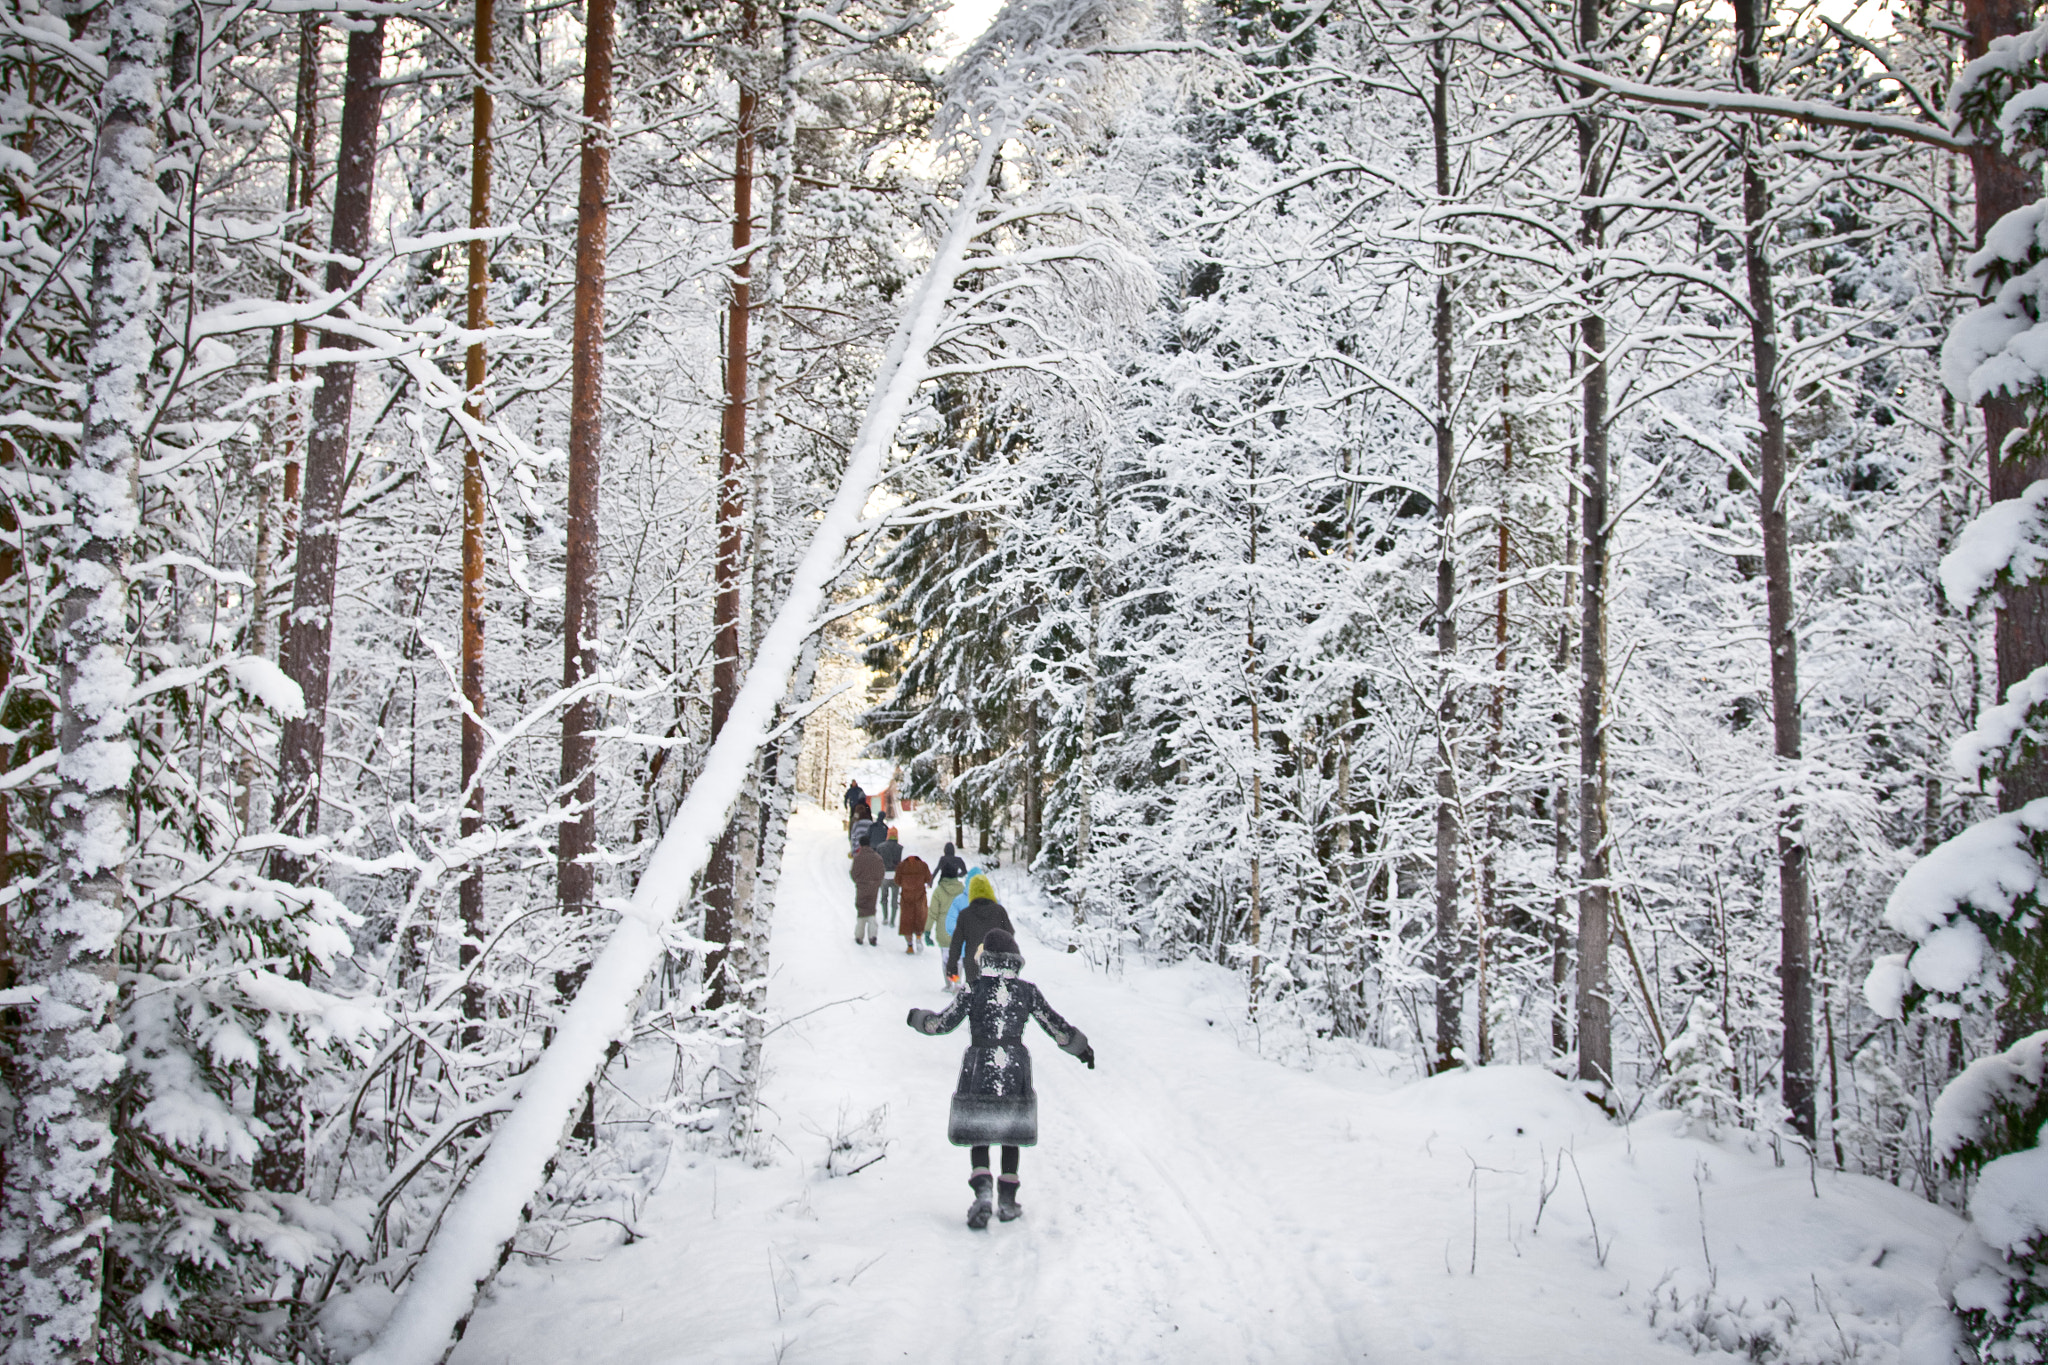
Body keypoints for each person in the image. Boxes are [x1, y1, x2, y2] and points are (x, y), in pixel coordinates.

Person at [906, 929, 1094, 1228]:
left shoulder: (973, 989)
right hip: (1014, 1066)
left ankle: (982, 1193)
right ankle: (1007, 1201)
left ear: (987, 958)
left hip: (980, 1062)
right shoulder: (1027, 991)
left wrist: (918, 1018)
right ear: (1014, 960)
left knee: (978, 1131)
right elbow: (1054, 1024)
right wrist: (1081, 1049)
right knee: (1010, 1134)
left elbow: (942, 1024)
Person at [946, 872, 1014, 986]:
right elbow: (1010, 934)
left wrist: (952, 967)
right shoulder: (999, 911)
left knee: (974, 995)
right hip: (996, 960)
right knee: (995, 994)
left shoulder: (965, 914)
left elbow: (956, 943)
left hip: (972, 962)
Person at [932, 843, 967, 954]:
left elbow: (937, 870)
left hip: (943, 884)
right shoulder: (958, 860)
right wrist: (958, 875)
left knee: (943, 904)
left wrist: (930, 881)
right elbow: (965, 871)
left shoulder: (943, 859)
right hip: (955, 883)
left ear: (945, 850)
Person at [849, 839, 885, 945]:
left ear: (860, 844)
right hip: (873, 887)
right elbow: (881, 872)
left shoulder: (858, 858)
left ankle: (859, 935)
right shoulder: (877, 858)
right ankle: (873, 935)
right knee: (871, 909)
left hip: (862, 886)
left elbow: (853, 873)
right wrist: (876, 883)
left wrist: (859, 882)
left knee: (861, 909)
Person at [896, 851, 932, 954]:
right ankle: (919, 936)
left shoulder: (901, 866)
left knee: (907, 921)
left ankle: (910, 946)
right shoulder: (923, 865)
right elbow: (928, 878)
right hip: (920, 896)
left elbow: (897, 881)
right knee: (920, 917)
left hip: (906, 897)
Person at [879, 826, 905, 925]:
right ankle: (893, 920)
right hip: (896, 876)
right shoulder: (900, 848)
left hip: (884, 875)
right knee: (895, 898)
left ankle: (885, 917)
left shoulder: (880, 847)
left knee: (884, 897)